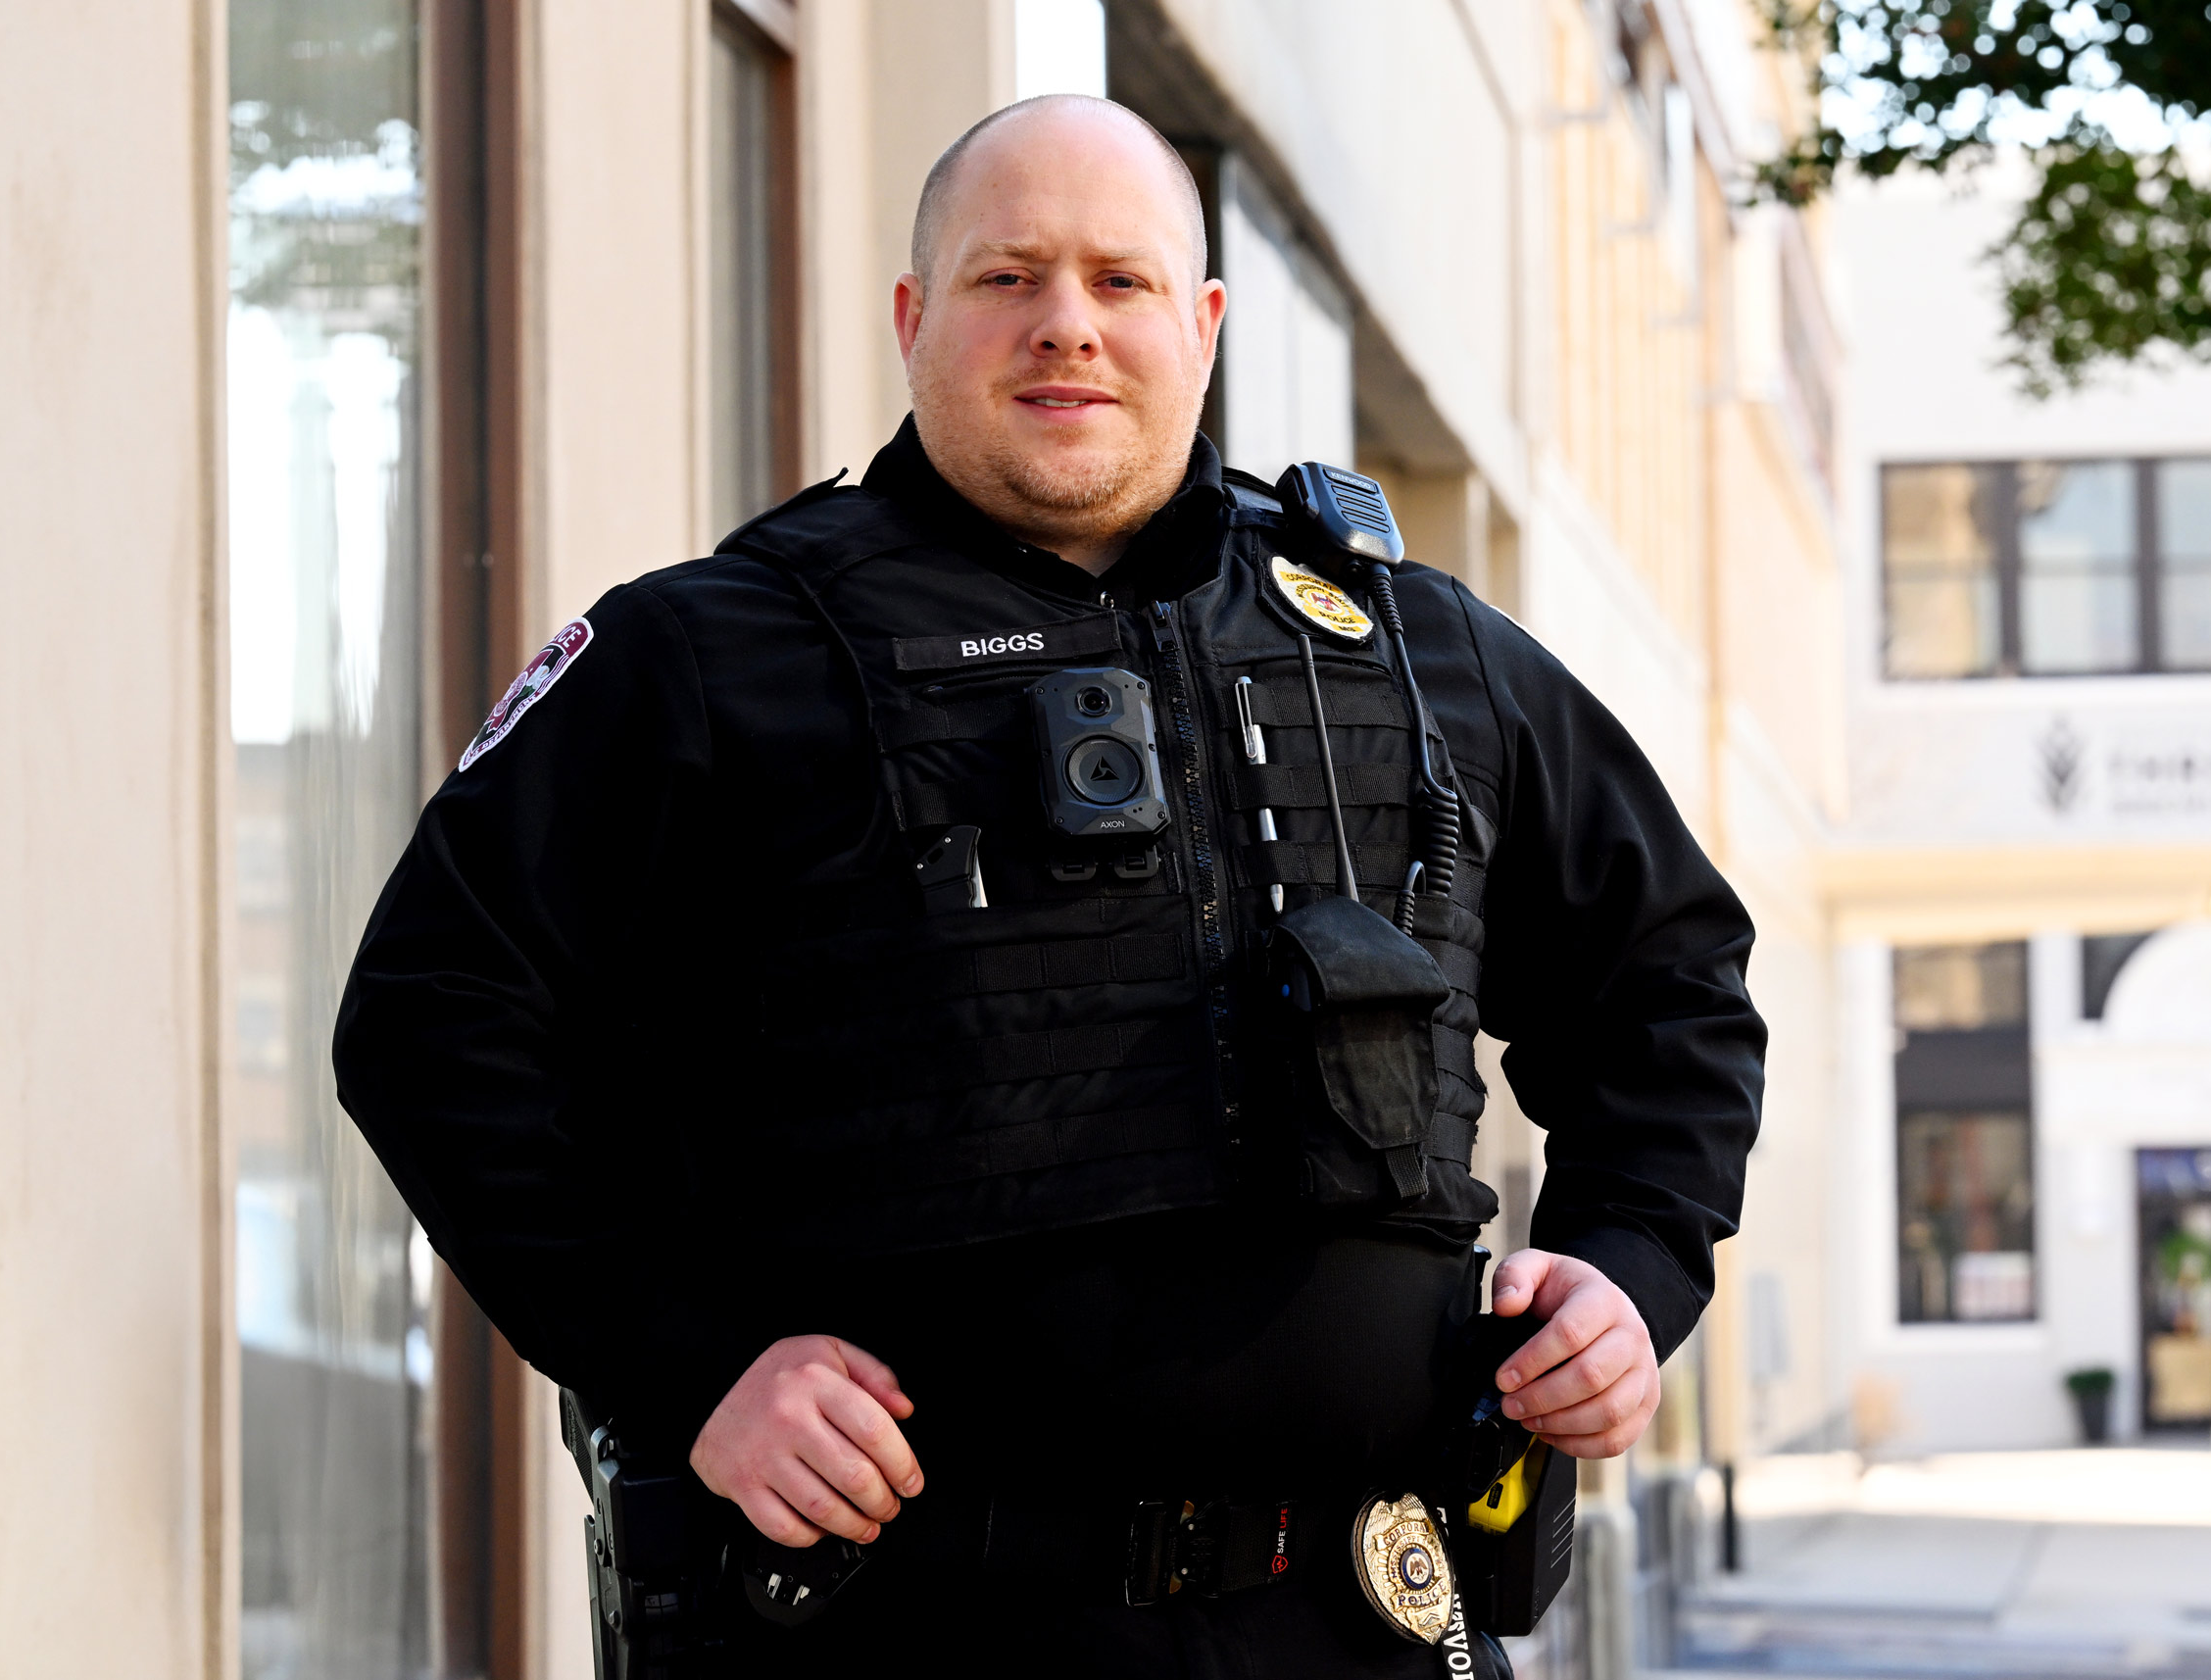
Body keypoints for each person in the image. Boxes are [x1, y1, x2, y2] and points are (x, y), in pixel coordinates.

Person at [335, 94, 1765, 1677]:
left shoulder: (1422, 655)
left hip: (1364, 1612)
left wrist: (1631, 1278)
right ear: (912, 317)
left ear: (1205, 323)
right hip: (904, 1628)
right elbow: (433, 1021)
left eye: (1121, 280)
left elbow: (1671, 984)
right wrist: (690, 1364)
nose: (1065, 326)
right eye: (1006, 277)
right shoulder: (709, 657)